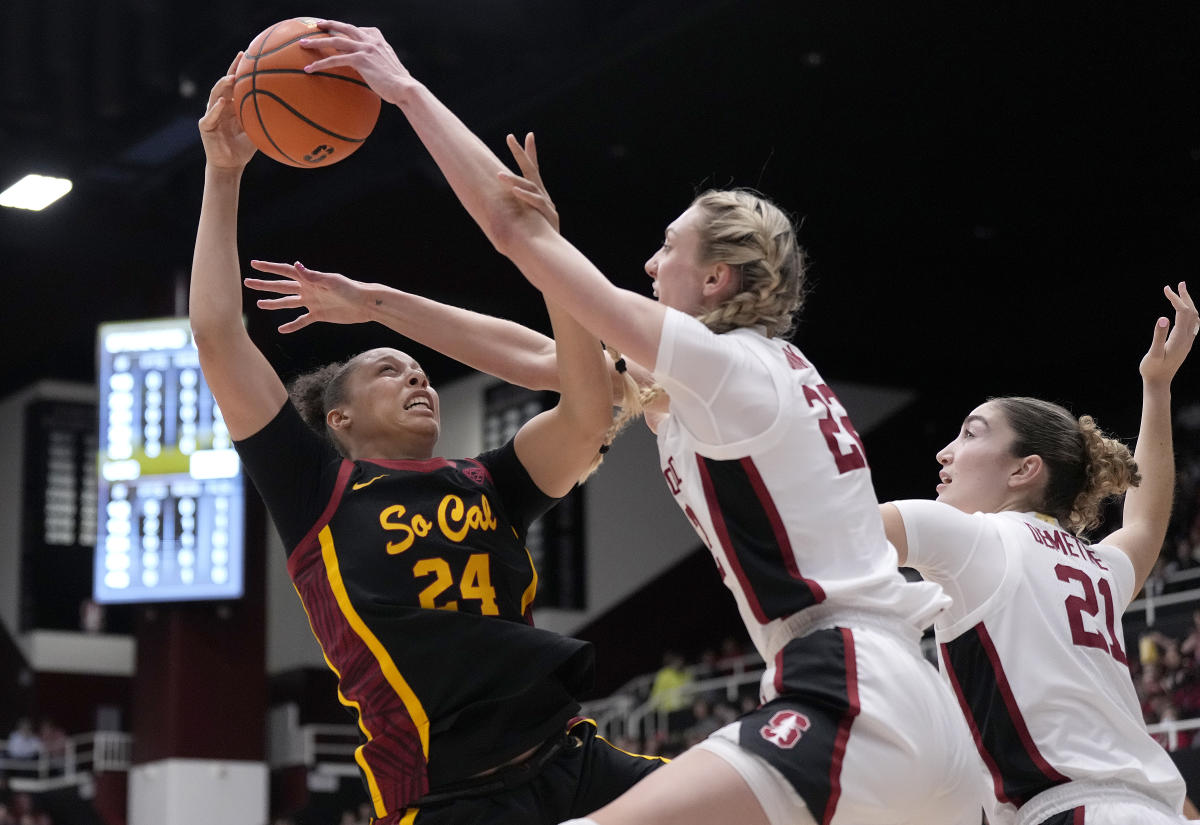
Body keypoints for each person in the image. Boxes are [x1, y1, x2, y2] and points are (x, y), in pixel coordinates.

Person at [252, 20, 982, 825]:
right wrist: (372, 303)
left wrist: (405, 89)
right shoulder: (729, 377)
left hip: (849, 682)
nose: (648, 264)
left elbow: (514, 232)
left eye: (666, 249)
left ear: (714, 275)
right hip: (912, 692)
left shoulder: (716, 363)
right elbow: (542, 357)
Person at [191, 56, 664, 825]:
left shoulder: (487, 482)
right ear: (337, 418)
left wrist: (552, 258)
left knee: (760, 796)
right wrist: (223, 173)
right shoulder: (316, 490)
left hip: (570, 760)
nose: (418, 379)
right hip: (447, 799)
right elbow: (216, 333)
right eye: (388, 369)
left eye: (420, 372)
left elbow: (584, 411)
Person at [880, 284, 1198, 824]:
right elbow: (1144, 522)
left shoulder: (971, 536)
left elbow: (823, 526)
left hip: (1070, 810)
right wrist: (1158, 388)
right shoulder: (1097, 565)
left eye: (969, 434)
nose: (944, 451)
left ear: (1024, 469)